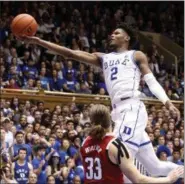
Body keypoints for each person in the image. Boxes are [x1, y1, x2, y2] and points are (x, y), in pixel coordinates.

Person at [18, 22, 181, 176]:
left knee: (117, 159)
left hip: (132, 108)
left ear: (127, 38)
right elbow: (70, 53)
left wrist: (167, 102)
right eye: (112, 33)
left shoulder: (136, 55)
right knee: (155, 168)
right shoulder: (104, 58)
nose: (112, 35)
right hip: (118, 112)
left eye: (117, 33)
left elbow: (151, 82)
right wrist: (38, 41)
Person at [80, 104, 183, 184]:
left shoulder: (84, 143)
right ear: (110, 120)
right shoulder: (115, 145)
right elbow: (138, 180)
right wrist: (168, 179)